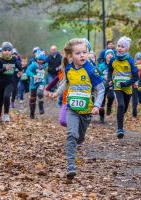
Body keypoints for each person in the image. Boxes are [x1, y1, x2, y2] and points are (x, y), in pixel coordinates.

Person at [55, 38, 104, 178]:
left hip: (87, 111)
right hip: (72, 108)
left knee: (80, 137)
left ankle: (79, 141)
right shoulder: (69, 68)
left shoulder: (91, 70)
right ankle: (70, 165)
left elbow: (100, 89)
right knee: (72, 134)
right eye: (78, 53)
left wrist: (96, 105)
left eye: (85, 52)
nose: (82, 55)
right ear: (71, 56)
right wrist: (56, 93)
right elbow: (66, 82)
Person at [107, 36, 139, 139]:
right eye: (118, 46)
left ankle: (121, 116)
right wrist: (110, 80)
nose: (119, 48)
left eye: (122, 46)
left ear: (127, 49)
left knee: (124, 109)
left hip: (128, 88)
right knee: (120, 106)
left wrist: (127, 83)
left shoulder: (130, 61)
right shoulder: (113, 59)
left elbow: (135, 76)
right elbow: (110, 70)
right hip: (117, 87)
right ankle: (120, 129)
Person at [0, 42, 22, 123]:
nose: (7, 52)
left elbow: (20, 67)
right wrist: (5, 68)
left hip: (10, 82)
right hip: (0, 83)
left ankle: (6, 114)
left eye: (9, 50)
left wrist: (20, 70)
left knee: (7, 96)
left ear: (11, 51)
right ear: (2, 51)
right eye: (5, 50)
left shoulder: (13, 59)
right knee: (0, 101)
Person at [26, 50, 47, 119]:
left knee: (40, 93)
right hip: (33, 83)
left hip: (41, 81)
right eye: (39, 60)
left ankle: (41, 107)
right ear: (36, 59)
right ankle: (32, 114)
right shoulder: (34, 64)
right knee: (33, 99)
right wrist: (33, 75)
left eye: (41, 60)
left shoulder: (46, 65)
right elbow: (27, 71)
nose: (40, 61)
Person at [98, 49, 115, 123]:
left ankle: (109, 106)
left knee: (111, 97)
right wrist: (103, 77)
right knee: (102, 101)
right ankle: (101, 116)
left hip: (111, 84)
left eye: (111, 54)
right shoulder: (101, 65)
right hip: (103, 85)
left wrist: (113, 78)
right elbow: (98, 74)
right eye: (108, 54)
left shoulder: (115, 65)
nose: (110, 55)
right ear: (105, 56)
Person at [132, 52, 141, 118]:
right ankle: (134, 114)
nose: (139, 61)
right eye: (138, 59)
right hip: (134, 86)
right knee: (135, 101)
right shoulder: (133, 66)